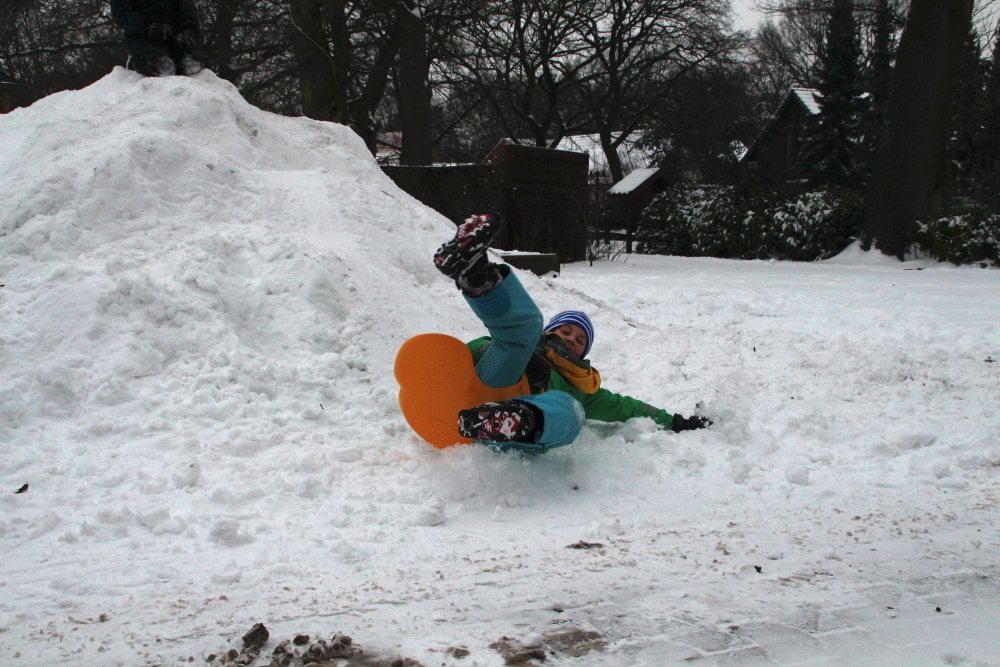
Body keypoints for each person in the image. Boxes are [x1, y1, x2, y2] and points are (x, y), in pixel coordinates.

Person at [433, 211, 710, 452]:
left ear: (583, 353)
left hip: (512, 435)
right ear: (552, 333)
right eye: (565, 331)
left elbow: (629, 408)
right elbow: (475, 351)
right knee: (527, 326)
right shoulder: (528, 347)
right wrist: (506, 353)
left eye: (580, 340)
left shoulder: (583, 387)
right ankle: (475, 273)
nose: (571, 339)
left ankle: (512, 419)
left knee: (572, 412)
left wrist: (674, 421)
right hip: (486, 389)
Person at [111, 0, 207, 78]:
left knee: (193, 61)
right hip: (143, 36)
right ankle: (136, 61)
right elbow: (121, 13)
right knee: (161, 65)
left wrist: (188, 32)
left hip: (173, 34)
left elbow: (187, 12)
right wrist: (147, 27)